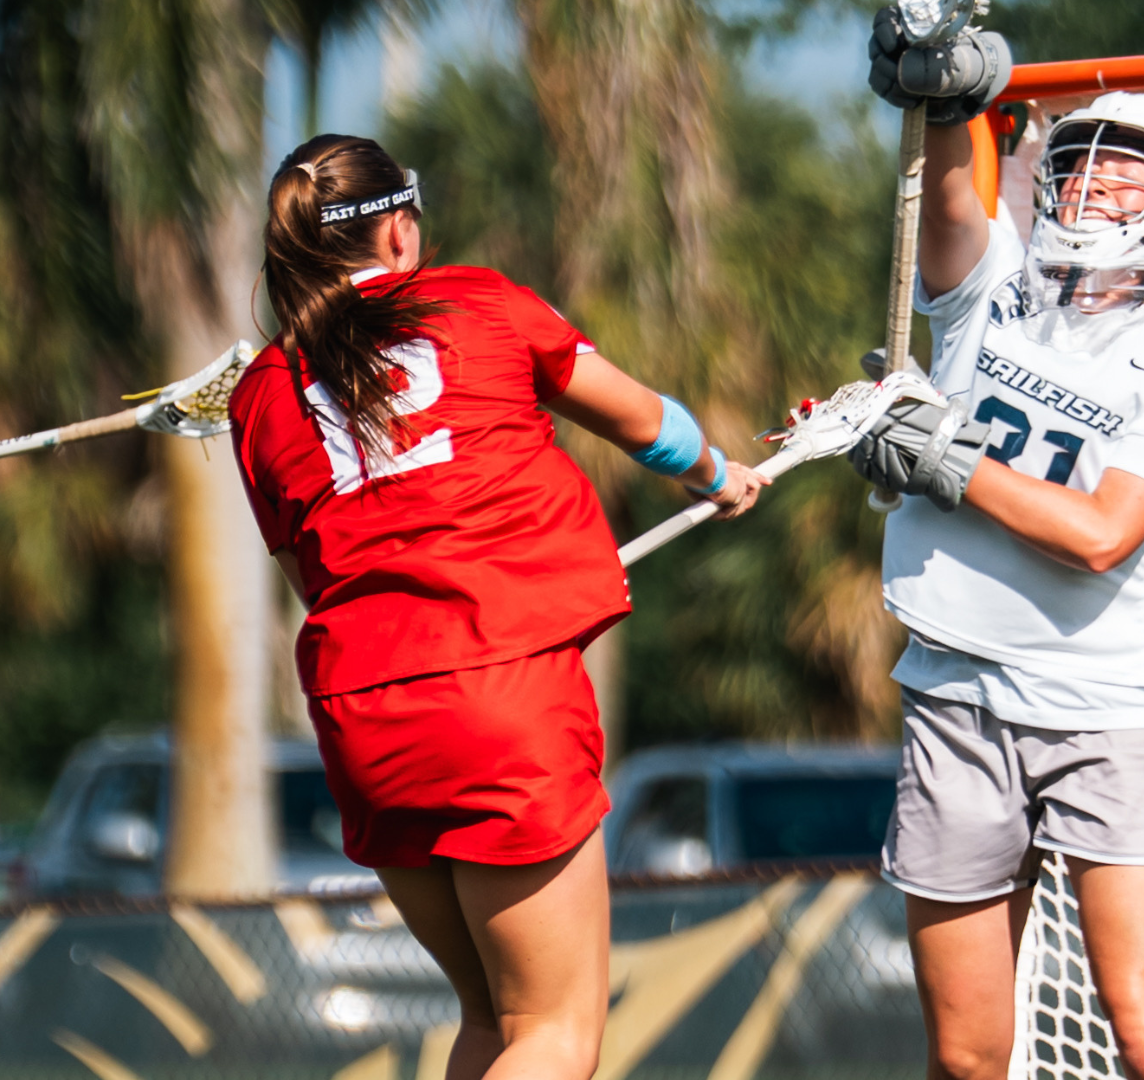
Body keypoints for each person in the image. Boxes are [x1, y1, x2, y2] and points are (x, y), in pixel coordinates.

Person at [228, 134, 767, 1080]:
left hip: (365, 715)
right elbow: (646, 423)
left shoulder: (260, 395)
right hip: (499, 693)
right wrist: (720, 476)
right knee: (556, 1034)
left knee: (493, 1021)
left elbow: (314, 577)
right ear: (398, 231)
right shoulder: (477, 300)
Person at [858, 12, 1144, 1080]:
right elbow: (949, 202)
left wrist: (947, 461)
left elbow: (1103, 535)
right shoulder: (998, 289)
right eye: (1085, 162)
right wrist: (943, 94)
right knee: (968, 1058)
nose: (1098, 179)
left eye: (1133, 170)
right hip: (955, 698)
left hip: (1104, 711)